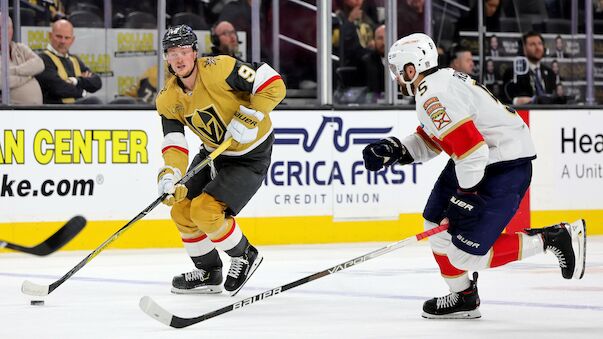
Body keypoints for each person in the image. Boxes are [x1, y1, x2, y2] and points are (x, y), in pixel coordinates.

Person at [362, 33, 586, 319]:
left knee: (466, 254)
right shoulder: (437, 83)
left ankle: (553, 237)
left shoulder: (433, 93)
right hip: (481, 161)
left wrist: (466, 197)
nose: (395, 78)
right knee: (434, 220)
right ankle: (464, 297)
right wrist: (395, 149)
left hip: (504, 165)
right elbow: (439, 139)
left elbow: (474, 152)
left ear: (411, 69)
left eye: (397, 71)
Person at [155, 25, 286, 296]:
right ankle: (208, 271)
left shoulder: (220, 68)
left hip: (251, 155)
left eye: (183, 51)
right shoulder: (168, 98)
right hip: (213, 153)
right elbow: (175, 142)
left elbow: (272, 82)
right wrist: (169, 173)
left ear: (195, 52)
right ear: (166, 58)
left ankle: (245, 255)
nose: (178, 59)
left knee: (205, 210)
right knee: (180, 209)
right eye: (171, 53)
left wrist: (253, 114)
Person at [35, 18, 102, 104]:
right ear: (50, 36)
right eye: (59, 36)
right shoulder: (42, 59)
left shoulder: (74, 60)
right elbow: (58, 88)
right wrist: (82, 91)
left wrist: (76, 81)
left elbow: (97, 82)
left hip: (76, 109)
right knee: (94, 102)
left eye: (67, 38)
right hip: (55, 112)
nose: (63, 41)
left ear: (72, 40)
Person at [503, 31, 559, 105]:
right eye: (532, 44)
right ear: (524, 49)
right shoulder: (513, 72)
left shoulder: (550, 73)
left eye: (540, 44)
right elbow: (504, 99)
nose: (538, 48)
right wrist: (517, 101)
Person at [0, 14, 44, 105]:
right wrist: (29, 75)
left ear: (11, 30)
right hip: (11, 111)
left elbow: (39, 64)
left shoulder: (20, 48)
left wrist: (14, 71)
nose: (2, 32)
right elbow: (2, 82)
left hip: (37, 110)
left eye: (6, 28)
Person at [359, 24, 386, 101]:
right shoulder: (366, 62)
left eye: (386, 38)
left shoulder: (401, 63)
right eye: (380, 38)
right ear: (374, 40)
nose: (383, 42)